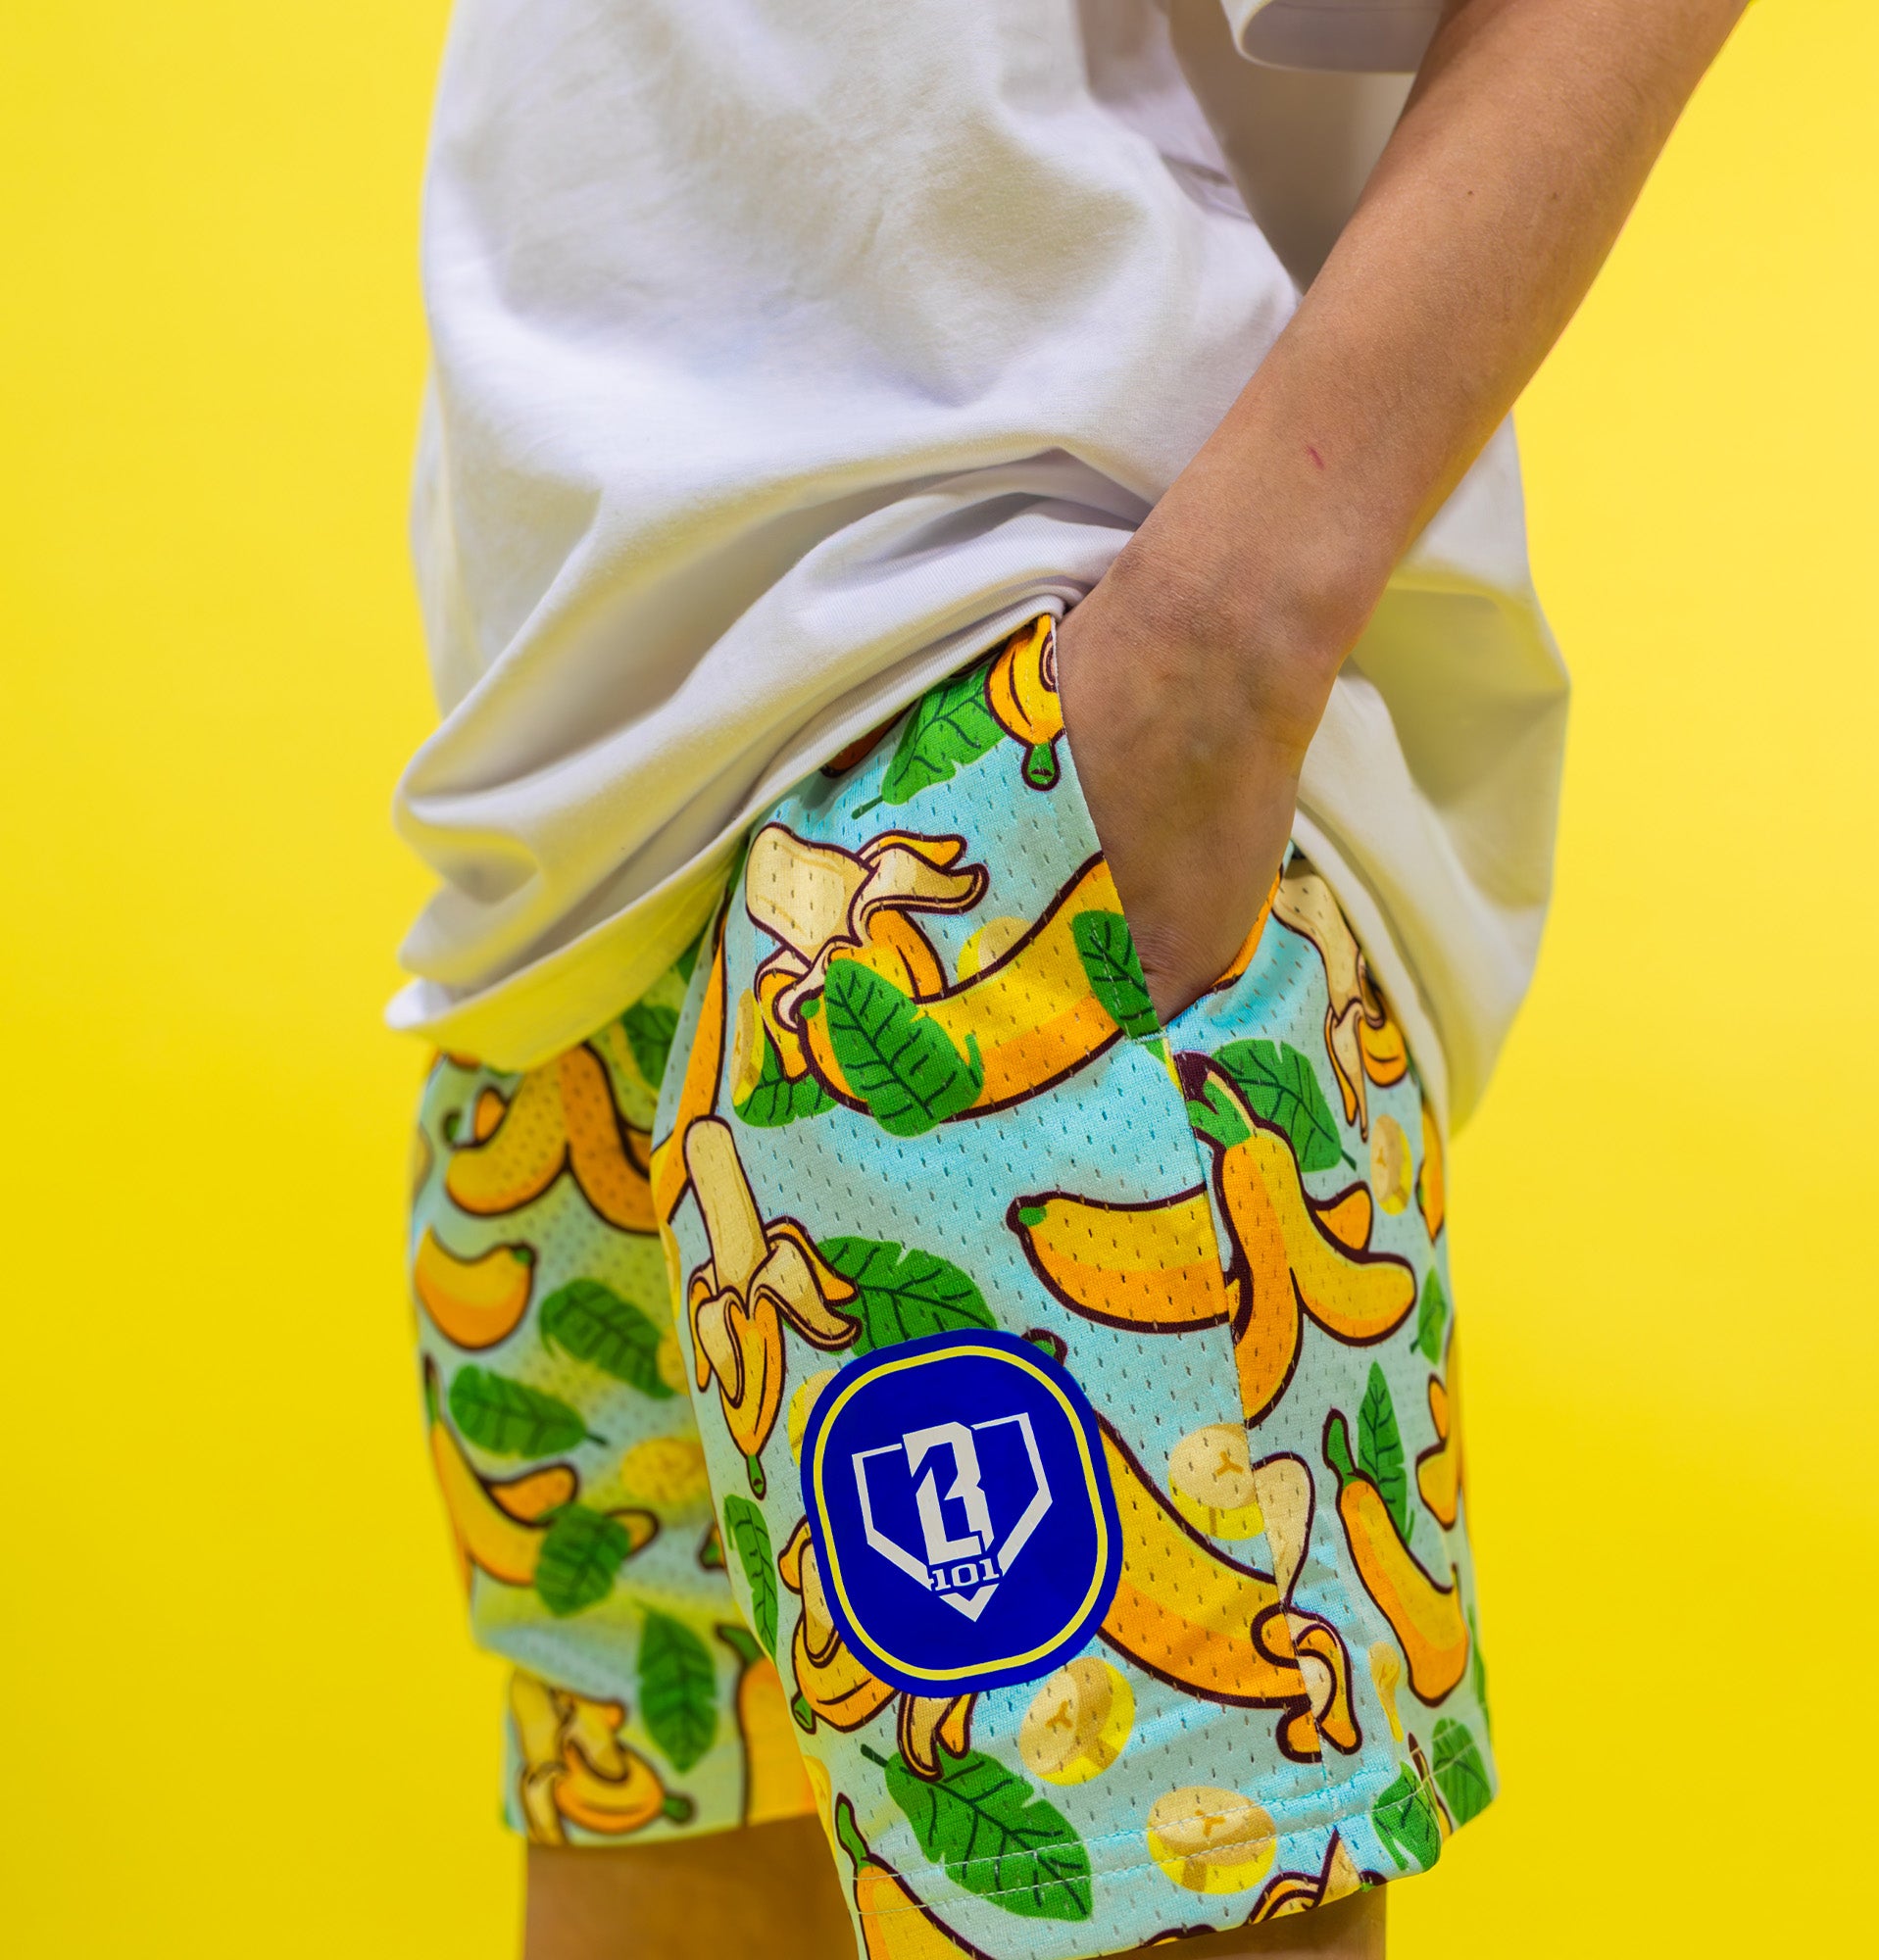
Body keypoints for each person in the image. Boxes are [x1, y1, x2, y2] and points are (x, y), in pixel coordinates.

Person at [394, 4, 1746, 1956]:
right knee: (665, 1874)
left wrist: (1223, 637)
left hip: (1006, 785)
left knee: (1159, 1880)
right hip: (558, 873)